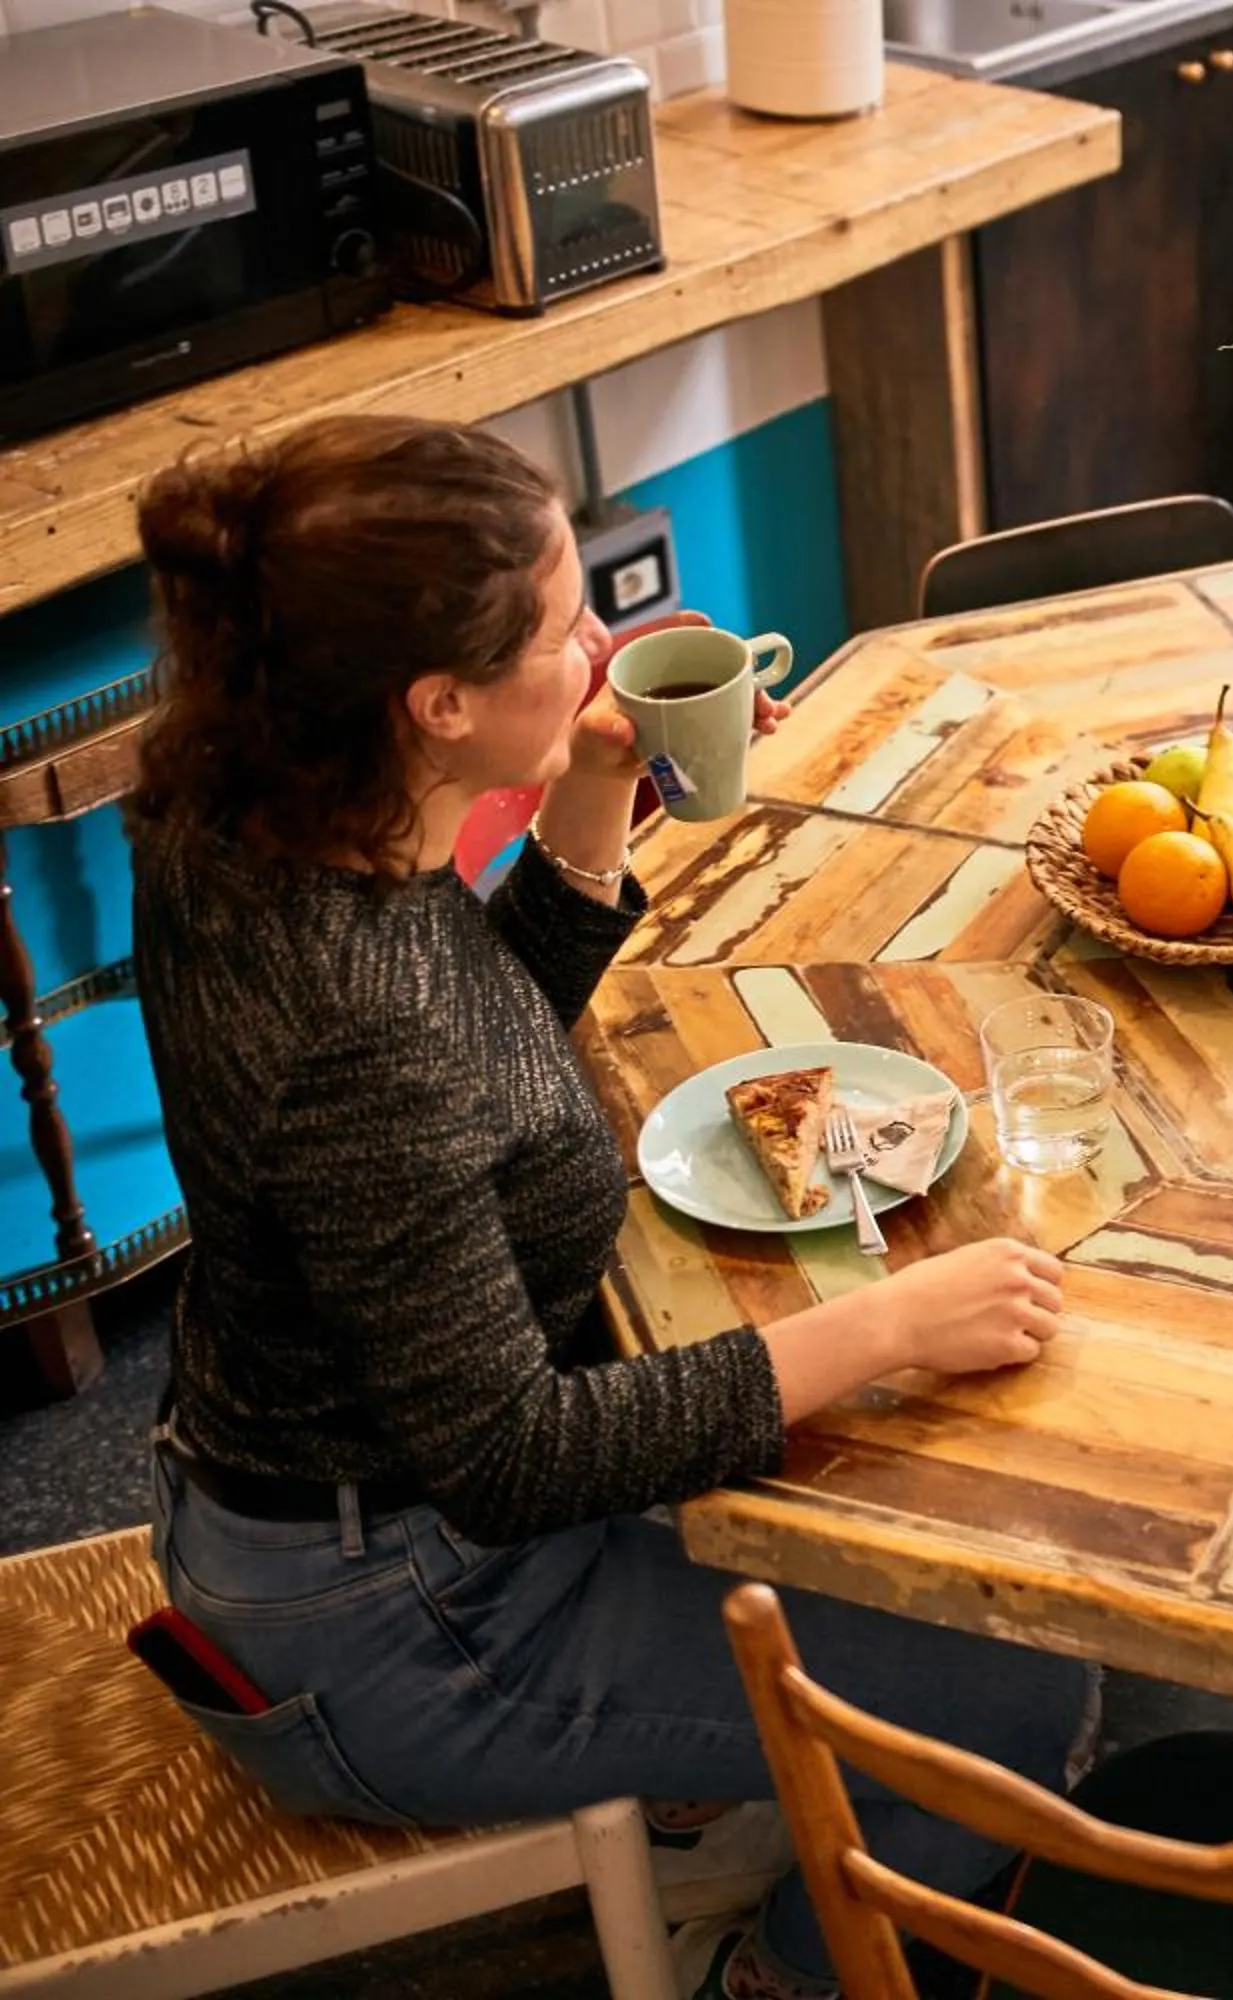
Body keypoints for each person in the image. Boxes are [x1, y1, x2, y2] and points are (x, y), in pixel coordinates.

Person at [130, 415, 1092, 2000]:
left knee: (896, 1520)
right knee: (1020, 1706)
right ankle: (777, 1975)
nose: (599, 650)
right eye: (560, 631)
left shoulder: (252, 814)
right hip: (405, 1615)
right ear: (433, 705)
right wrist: (886, 1325)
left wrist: (589, 790)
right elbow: (508, 1458)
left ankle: (726, 1791)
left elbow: (475, 1041)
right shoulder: (353, 1014)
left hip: (303, 1507)